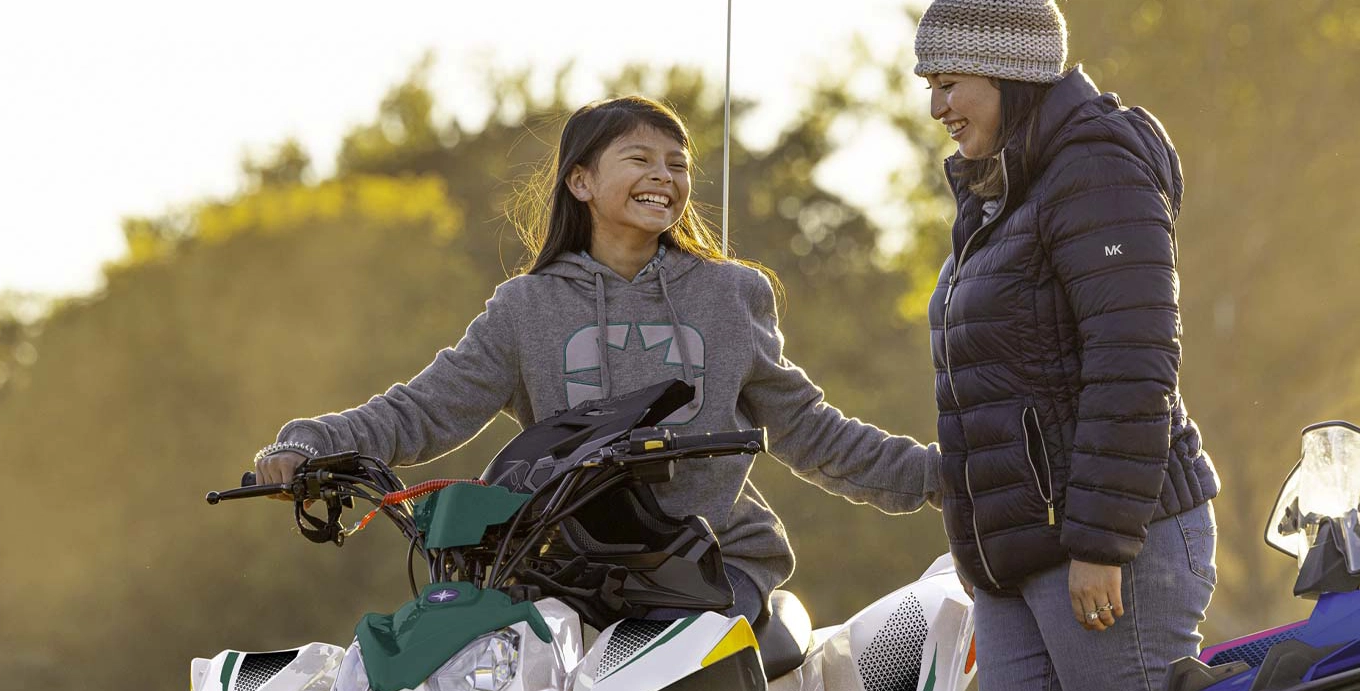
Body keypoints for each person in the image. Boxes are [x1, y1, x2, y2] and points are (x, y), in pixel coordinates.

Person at [253, 95, 940, 623]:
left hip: (713, 561)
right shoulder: (526, 308)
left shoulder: (730, 294)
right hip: (566, 570)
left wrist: (941, 476)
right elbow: (426, 409)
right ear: (580, 182)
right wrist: (310, 444)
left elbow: (811, 430)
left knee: (681, 682)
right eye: (640, 159)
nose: (664, 176)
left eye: (678, 164)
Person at [914, 0, 1221, 691]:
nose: (937, 106)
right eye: (930, 85)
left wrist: (1099, 541)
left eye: (950, 82)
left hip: (1111, 539)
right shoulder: (998, 192)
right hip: (1016, 555)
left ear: (1012, 74)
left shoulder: (1096, 168)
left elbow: (1134, 363)